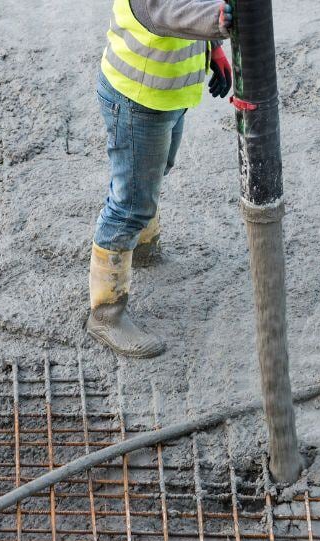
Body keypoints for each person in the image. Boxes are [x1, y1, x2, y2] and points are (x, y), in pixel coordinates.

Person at [89, 0, 234, 358]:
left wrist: (211, 48)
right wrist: (215, 21)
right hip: (138, 98)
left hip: (166, 95)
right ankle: (106, 314)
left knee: (153, 174)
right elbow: (162, 10)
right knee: (130, 205)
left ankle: (142, 248)